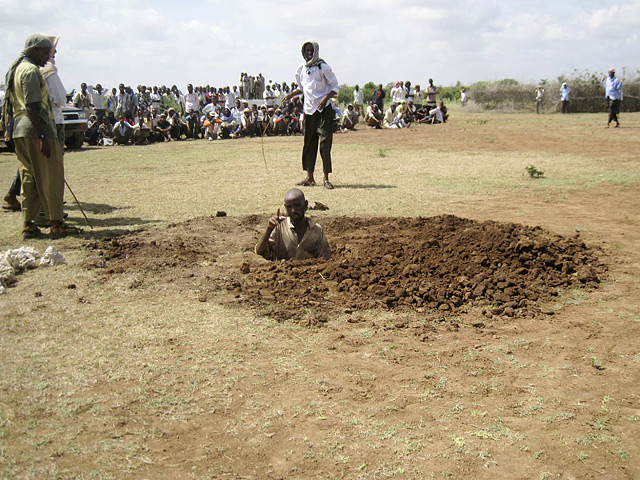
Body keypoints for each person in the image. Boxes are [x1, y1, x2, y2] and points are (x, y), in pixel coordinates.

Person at [3, 34, 79, 238]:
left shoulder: (17, 68)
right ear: (34, 50)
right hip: (36, 130)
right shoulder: (30, 71)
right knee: (51, 177)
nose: (49, 57)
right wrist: (43, 136)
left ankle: (28, 224)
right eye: (46, 52)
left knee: (30, 178)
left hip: (20, 130)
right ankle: (56, 223)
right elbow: (32, 105)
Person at [282, 41, 339, 190]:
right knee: (309, 144)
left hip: (323, 111)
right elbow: (302, 89)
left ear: (316, 51)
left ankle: (326, 178)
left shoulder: (323, 67)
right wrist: (290, 95)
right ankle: (310, 177)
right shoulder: (301, 69)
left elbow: (334, 88)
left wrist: (325, 99)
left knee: (325, 144)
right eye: (306, 50)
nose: (308, 53)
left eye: (311, 50)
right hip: (309, 112)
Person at [255, 188, 331, 261]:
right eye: (289, 207)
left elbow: (326, 259)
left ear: (305, 205)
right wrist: (269, 229)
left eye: (297, 205)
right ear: (285, 207)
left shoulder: (316, 230)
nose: (293, 210)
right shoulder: (279, 227)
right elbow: (260, 252)